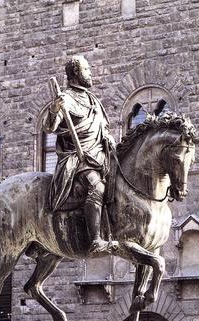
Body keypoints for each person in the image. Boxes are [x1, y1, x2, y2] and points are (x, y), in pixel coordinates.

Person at [42, 55, 117, 253]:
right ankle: (95, 241)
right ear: (75, 73)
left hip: (99, 156)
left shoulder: (93, 100)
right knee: (97, 188)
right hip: (77, 160)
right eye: (86, 69)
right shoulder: (65, 99)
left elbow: (103, 127)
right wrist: (54, 109)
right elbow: (49, 127)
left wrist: (107, 137)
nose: (90, 72)